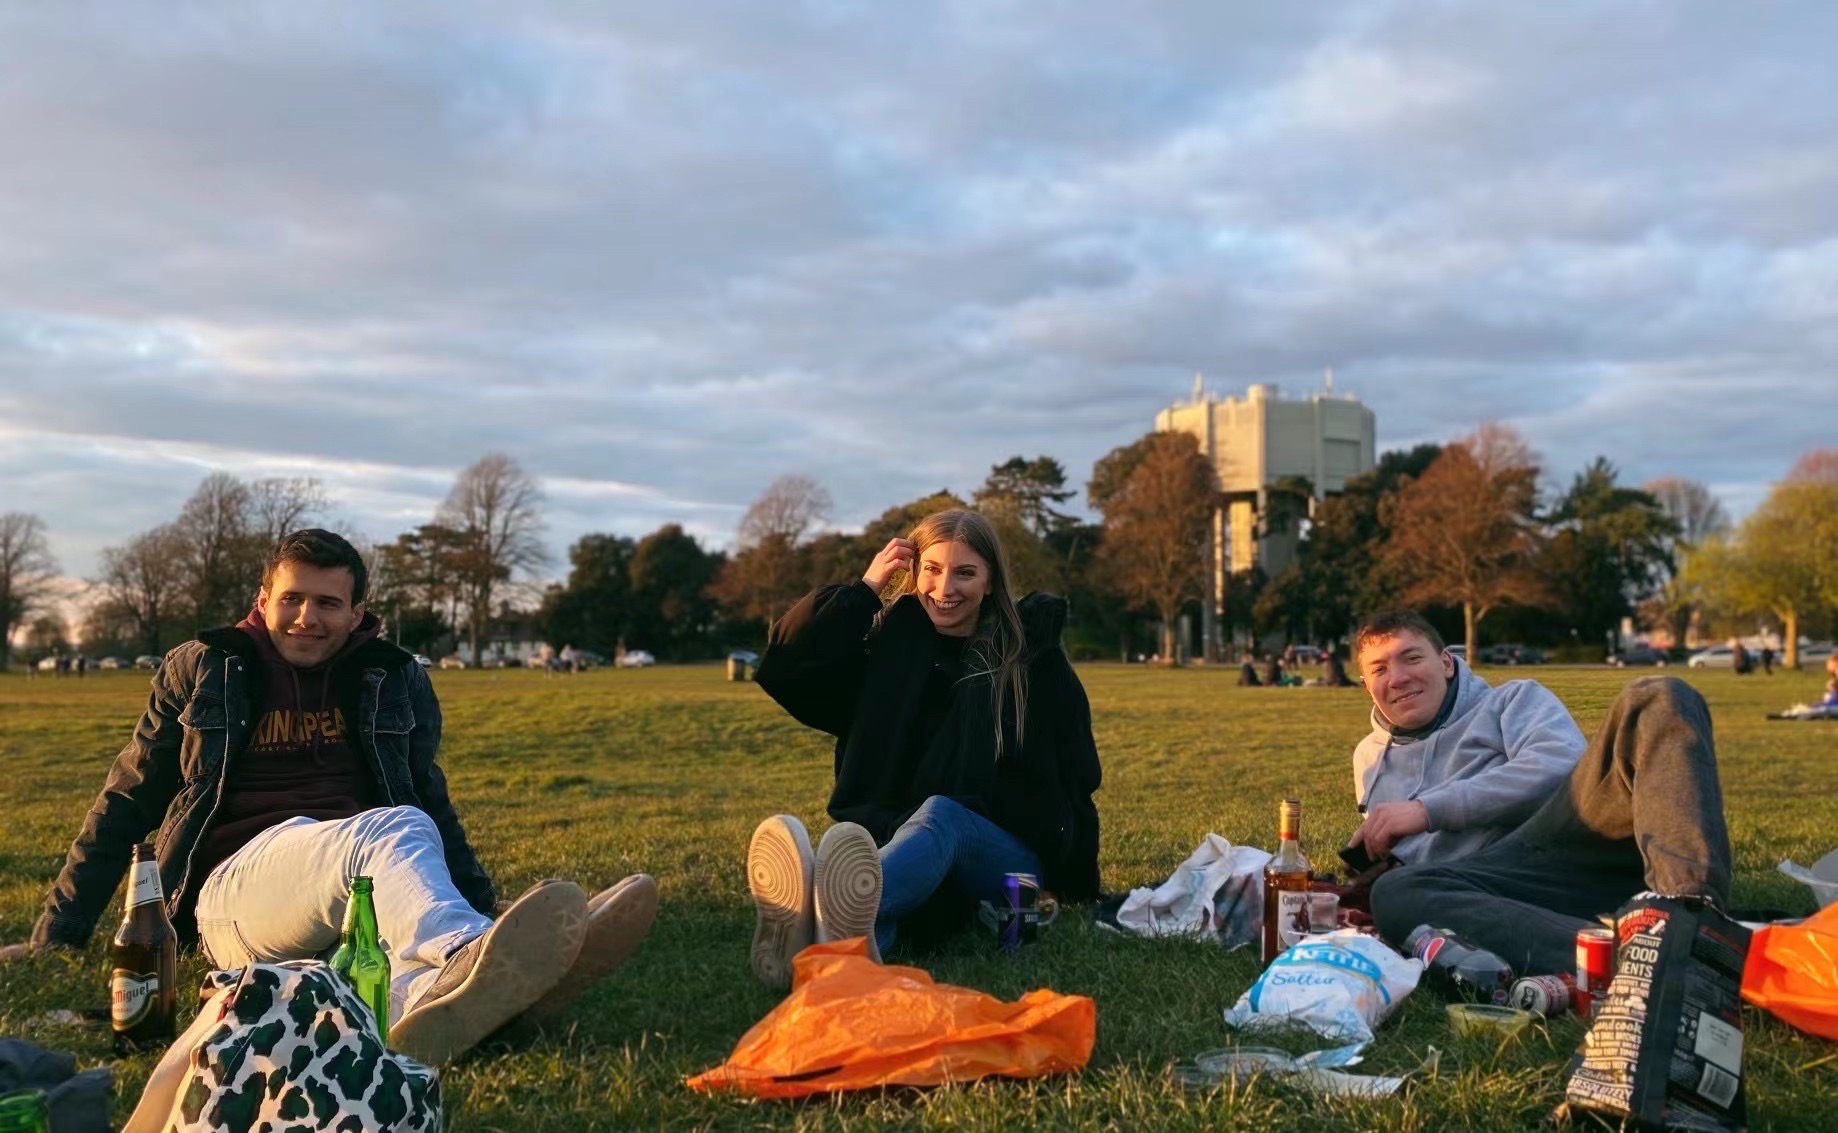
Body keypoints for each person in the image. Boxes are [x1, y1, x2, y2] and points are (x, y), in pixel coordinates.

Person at [3, 529, 658, 1064]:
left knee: (383, 909)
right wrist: (56, 935)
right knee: (390, 828)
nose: (307, 617)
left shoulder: (391, 676)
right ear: (262, 600)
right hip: (233, 899)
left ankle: (445, 1001)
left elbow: (430, 797)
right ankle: (471, 948)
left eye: (327, 603)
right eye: (292, 598)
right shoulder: (208, 666)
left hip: (353, 900)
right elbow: (128, 798)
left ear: (356, 613)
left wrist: (480, 892)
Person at [744, 509, 1102, 988]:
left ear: (992, 581)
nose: (945, 588)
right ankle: (830, 956)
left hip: (1005, 862)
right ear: (912, 573)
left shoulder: (1031, 659)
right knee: (898, 910)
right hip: (904, 850)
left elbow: (1078, 774)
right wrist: (864, 591)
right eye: (932, 570)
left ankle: (814, 909)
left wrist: (1074, 883)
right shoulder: (888, 650)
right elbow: (785, 668)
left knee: (941, 815)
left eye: (965, 573)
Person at [1344, 608, 1731, 977]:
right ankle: (1651, 962)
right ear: (1367, 687)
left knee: (1658, 698)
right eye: (1379, 669)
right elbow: (1417, 866)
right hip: (1489, 896)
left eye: (1411, 658)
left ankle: (1692, 913)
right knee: (1396, 893)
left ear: (1446, 663)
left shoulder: (1510, 701)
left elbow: (1558, 765)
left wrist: (1427, 810)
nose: (1397, 678)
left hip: (1566, 851)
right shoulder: (1369, 757)